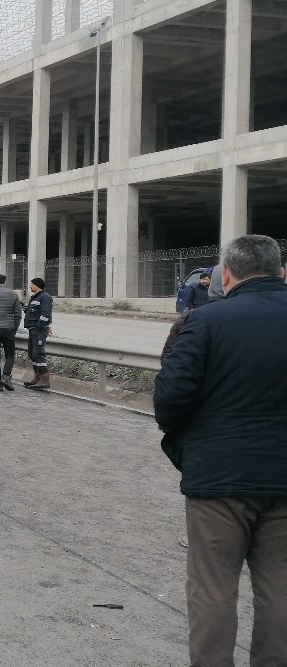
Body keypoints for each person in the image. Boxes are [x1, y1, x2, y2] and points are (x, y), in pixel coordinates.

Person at [154, 235, 287, 667]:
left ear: (225, 275)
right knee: (281, 588)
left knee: (213, 588)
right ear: (281, 273)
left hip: (219, 480)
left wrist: (188, 449)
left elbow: (170, 399)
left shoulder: (205, 322)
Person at [23, 277, 54, 389]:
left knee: (39, 354)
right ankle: (37, 378)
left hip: (38, 330)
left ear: (37, 285)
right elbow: (34, 312)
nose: (30, 286)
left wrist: (39, 327)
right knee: (32, 354)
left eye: (32, 284)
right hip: (32, 329)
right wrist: (26, 309)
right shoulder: (35, 297)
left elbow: (45, 314)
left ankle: (44, 380)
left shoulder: (45, 297)